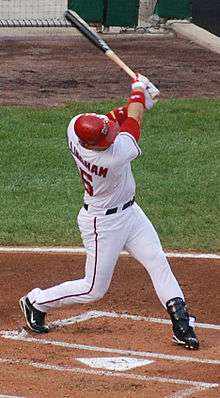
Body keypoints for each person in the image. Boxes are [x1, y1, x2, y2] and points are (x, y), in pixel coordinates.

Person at [19, 74, 199, 350]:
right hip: (102, 223)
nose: (109, 140)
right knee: (93, 289)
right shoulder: (115, 156)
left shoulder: (75, 129)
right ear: (92, 146)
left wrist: (141, 102)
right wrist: (138, 92)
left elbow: (112, 120)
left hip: (131, 213)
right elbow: (131, 125)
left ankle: (181, 323)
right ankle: (36, 301)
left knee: (156, 260)